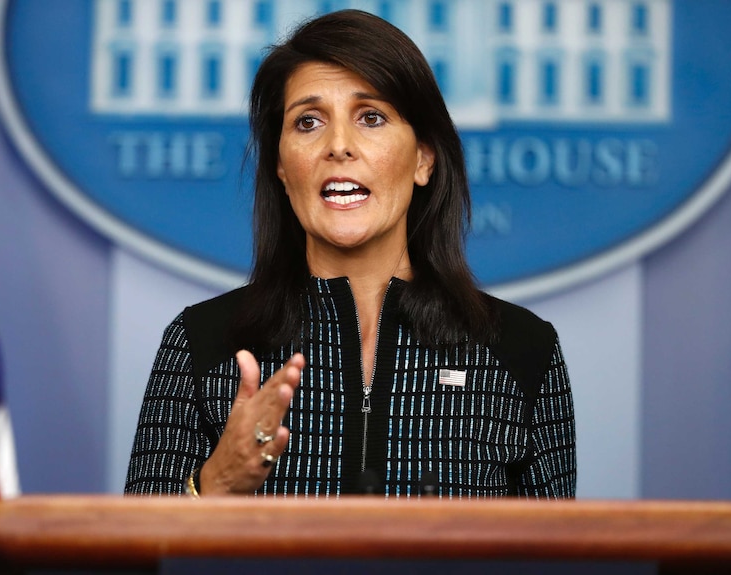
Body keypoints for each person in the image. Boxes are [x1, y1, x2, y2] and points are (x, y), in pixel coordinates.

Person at [125, 9, 576, 498]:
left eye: (371, 117)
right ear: (280, 165)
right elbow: (137, 561)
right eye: (308, 121)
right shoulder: (202, 343)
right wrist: (216, 483)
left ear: (424, 158)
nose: (338, 146)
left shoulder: (522, 350)